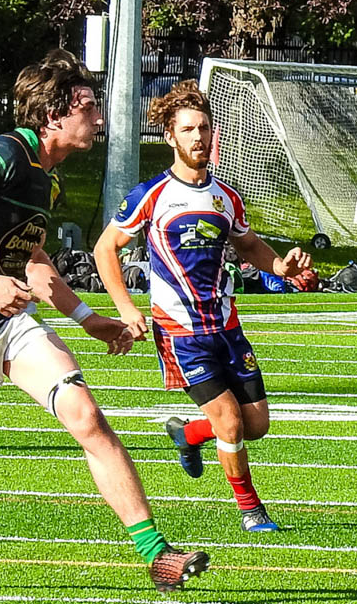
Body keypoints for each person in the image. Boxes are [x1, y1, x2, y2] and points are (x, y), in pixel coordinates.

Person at [0, 50, 206, 591]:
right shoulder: (3, 155)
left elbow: (35, 262)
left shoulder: (49, 178)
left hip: (8, 325)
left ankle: (156, 554)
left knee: (85, 413)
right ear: (53, 115)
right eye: (88, 106)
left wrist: (90, 319)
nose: (99, 117)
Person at [94, 80, 312, 533]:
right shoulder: (150, 195)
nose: (198, 137)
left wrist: (281, 267)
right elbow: (104, 250)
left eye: (205, 128)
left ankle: (188, 434)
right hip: (180, 333)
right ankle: (252, 511)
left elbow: (247, 243)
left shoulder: (225, 197)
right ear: (170, 136)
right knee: (230, 421)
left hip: (226, 326)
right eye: (188, 129)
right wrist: (127, 307)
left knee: (256, 425)